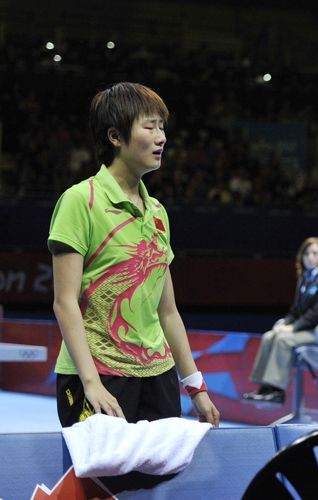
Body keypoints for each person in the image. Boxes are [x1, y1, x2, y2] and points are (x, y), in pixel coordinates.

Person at [49, 82, 220, 427]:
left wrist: (195, 385)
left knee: (159, 481)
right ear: (115, 136)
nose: (161, 138)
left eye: (162, 127)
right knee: (102, 483)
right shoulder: (81, 201)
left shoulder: (157, 211)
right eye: (149, 126)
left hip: (158, 375)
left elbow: (168, 311)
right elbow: (64, 302)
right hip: (99, 374)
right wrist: (91, 384)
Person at [243, 237, 318, 404]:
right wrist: (285, 323)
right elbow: (295, 311)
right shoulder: (304, 280)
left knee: (283, 339)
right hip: (306, 330)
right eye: (307, 253)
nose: (310, 257)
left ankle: (277, 391)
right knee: (270, 335)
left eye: (315, 253)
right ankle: (264, 388)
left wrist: (293, 328)